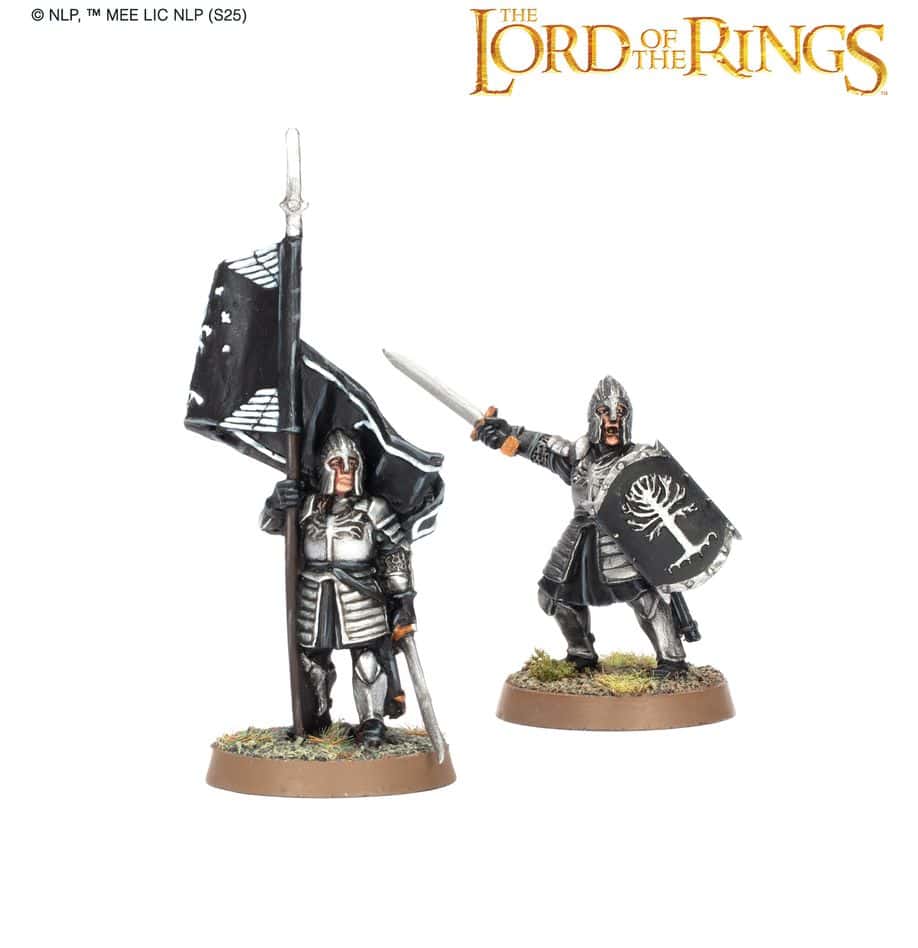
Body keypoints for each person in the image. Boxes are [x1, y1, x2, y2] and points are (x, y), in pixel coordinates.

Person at [475, 376, 691, 677]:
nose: (612, 420)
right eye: (605, 413)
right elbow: (537, 446)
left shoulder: (640, 460)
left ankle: (672, 660)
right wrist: (505, 433)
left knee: (645, 597)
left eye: (620, 413)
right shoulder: (577, 455)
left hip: (622, 535)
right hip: (580, 532)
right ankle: (581, 654)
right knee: (553, 595)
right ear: (593, 417)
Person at [260, 429, 417, 745]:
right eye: (337, 463)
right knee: (310, 661)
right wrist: (277, 503)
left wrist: (402, 600)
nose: (345, 471)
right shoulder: (307, 505)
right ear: (324, 467)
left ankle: (372, 722)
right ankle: (315, 719)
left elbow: (395, 553)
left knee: (368, 659)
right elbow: (270, 524)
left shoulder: (374, 508)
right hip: (313, 592)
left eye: (352, 464)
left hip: (360, 592)